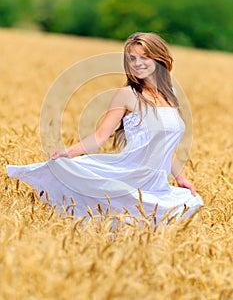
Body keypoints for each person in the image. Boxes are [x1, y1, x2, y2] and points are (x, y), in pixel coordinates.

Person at [7, 32, 203, 222]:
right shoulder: (127, 95)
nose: (137, 64)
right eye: (132, 59)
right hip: (129, 178)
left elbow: (168, 148)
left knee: (191, 203)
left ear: (159, 58)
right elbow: (101, 136)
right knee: (116, 224)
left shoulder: (171, 95)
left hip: (157, 185)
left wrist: (181, 178)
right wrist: (69, 152)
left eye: (144, 57)